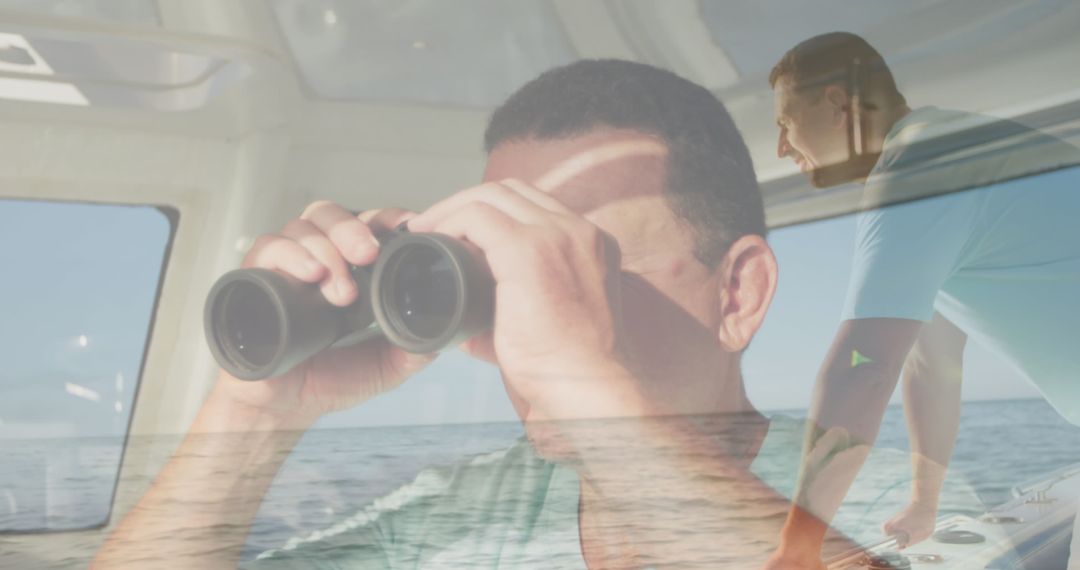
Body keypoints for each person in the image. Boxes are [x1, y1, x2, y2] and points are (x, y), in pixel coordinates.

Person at [93, 59, 972, 570]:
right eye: (503, 269)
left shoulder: (892, 500)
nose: (529, 312)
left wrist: (592, 400)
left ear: (738, 293)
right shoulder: (456, 515)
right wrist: (252, 414)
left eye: (577, 261)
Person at [766, 31, 1080, 562]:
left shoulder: (918, 167)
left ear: (838, 104)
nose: (781, 148)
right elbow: (931, 363)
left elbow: (862, 365)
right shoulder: (952, 148)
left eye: (785, 124)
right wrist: (923, 501)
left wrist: (798, 546)